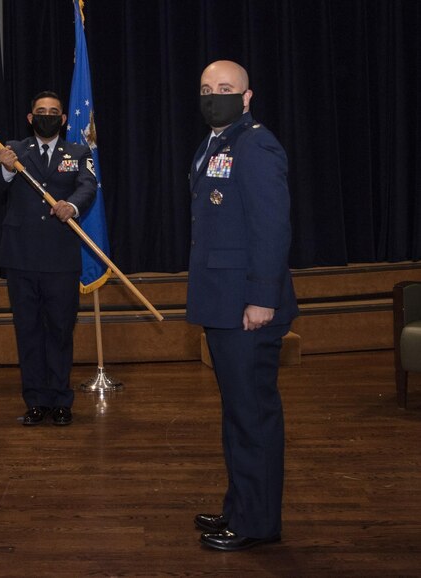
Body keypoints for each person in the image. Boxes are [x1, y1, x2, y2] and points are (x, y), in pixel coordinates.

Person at [187, 61, 299, 551]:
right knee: (237, 413)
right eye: (208, 89)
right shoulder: (216, 143)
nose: (215, 96)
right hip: (222, 302)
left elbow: (272, 228)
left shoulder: (256, 144)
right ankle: (240, 508)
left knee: (252, 416)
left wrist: (260, 297)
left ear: (248, 96)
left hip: (247, 307)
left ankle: (256, 524)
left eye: (226, 89)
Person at [0, 91, 96, 426]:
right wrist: (5, 170)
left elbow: (88, 186)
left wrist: (72, 206)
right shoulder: (13, 150)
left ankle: (61, 401)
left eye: (53, 112)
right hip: (21, 258)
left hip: (61, 259)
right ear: (30, 118)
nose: (47, 116)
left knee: (61, 330)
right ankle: (35, 400)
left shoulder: (78, 152)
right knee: (29, 331)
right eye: (40, 111)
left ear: (63, 119)